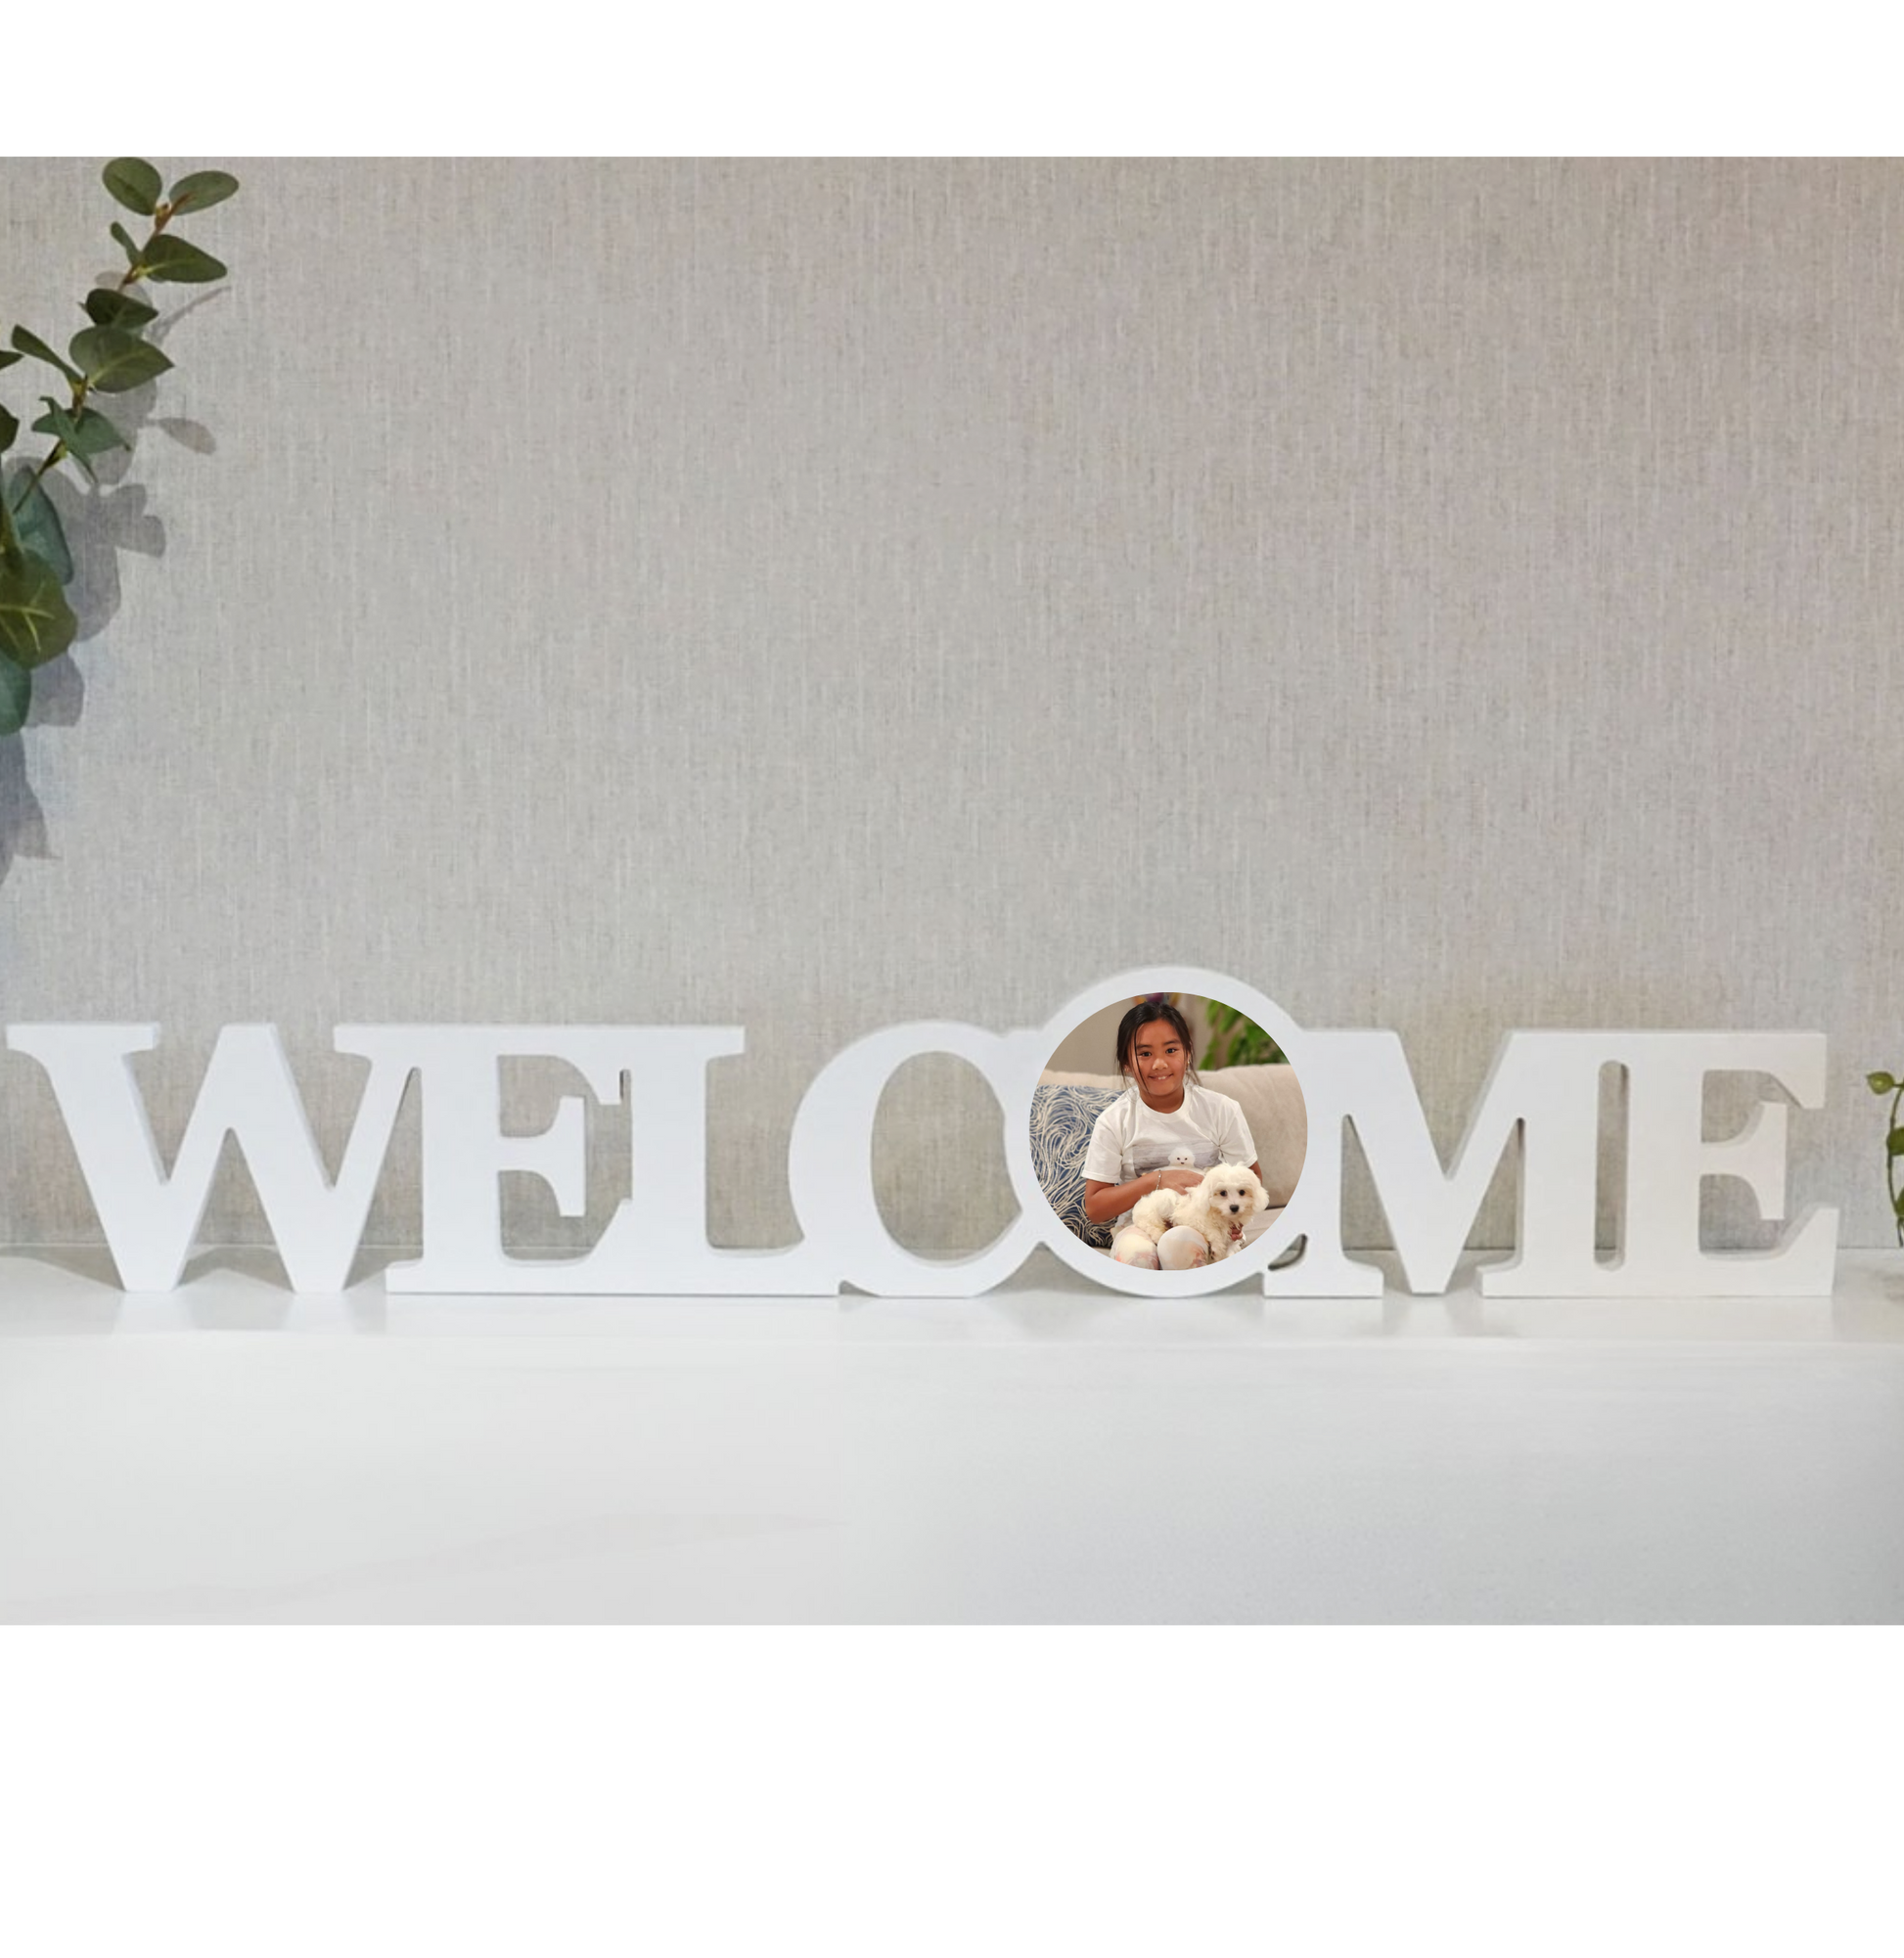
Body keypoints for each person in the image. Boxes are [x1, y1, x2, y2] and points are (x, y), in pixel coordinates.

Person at [1081, 999, 1272, 1270]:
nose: (1159, 1063)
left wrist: (1234, 1221)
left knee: (1179, 1247)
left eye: (1171, 1050)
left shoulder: (1222, 1110)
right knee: (1138, 1257)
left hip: (1204, 1223)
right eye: (1144, 1054)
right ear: (1126, 1062)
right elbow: (1095, 1208)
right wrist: (1157, 1180)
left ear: (1188, 1053)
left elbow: (1251, 1180)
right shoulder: (1113, 1121)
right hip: (1139, 1225)